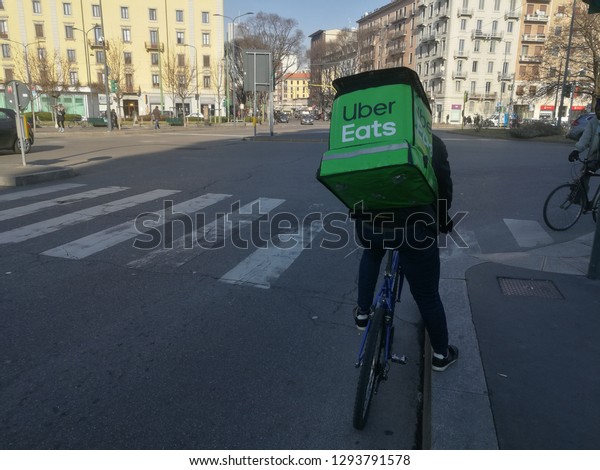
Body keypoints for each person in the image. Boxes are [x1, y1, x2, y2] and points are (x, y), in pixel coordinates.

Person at [352, 133, 458, 372]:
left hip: (371, 221)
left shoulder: (369, 131)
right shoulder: (430, 140)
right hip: (415, 227)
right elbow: (443, 187)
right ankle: (441, 355)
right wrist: (441, 219)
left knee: (372, 252)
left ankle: (362, 312)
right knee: (427, 295)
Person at [568, 98, 600, 202]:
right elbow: (585, 138)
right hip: (595, 155)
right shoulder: (593, 122)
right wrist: (576, 150)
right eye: (597, 109)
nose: (598, 112)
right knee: (584, 174)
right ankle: (581, 199)